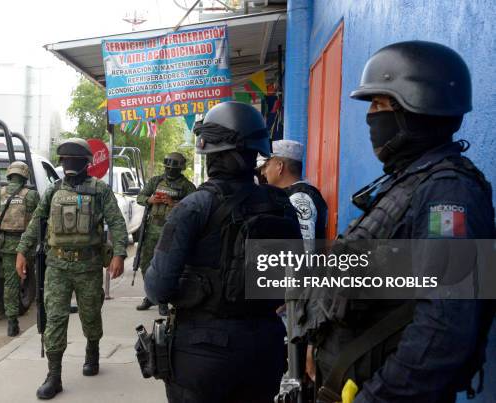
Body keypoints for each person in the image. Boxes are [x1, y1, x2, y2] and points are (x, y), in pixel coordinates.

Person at [305, 41, 495, 403]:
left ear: (416, 108)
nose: (371, 117)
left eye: (379, 104)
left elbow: (444, 326)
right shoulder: (408, 182)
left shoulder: (448, 195)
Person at [144, 101, 302, 403]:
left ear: (210, 151)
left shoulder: (193, 206)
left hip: (202, 353)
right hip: (264, 348)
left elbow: (158, 288)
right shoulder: (282, 205)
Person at [15, 138, 128, 400]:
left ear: (86, 164)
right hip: (56, 266)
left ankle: (92, 350)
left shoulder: (99, 191)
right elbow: (37, 222)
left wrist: (119, 254)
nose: (69, 166)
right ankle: (54, 376)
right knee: (54, 319)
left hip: (88, 266)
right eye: (65, 161)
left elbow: (117, 222)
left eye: (73, 161)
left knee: (90, 314)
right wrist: (23, 251)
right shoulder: (53, 191)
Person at [135, 152, 196, 315]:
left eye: (173, 169)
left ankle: (162, 300)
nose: (170, 171)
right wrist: (150, 200)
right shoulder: (155, 181)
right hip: (151, 230)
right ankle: (150, 295)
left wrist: (173, 203)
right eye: (167, 168)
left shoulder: (186, 186)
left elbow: (193, 207)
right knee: (145, 264)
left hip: (170, 232)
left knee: (165, 267)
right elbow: (140, 197)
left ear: (180, 169)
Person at [0, 161, 39, 337]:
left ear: (9, 175)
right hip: (27, 245)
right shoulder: (32, 195)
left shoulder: (0, 193)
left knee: (11, 283)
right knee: (33, 277)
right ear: (25, 176)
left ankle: (12, 323)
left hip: (8, 246)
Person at [262, 139, 328, 240]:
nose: (263, 172)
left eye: (267, 165)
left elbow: (305, 249)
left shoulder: (300, 198)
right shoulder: (290, 195)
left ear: (280, 166)